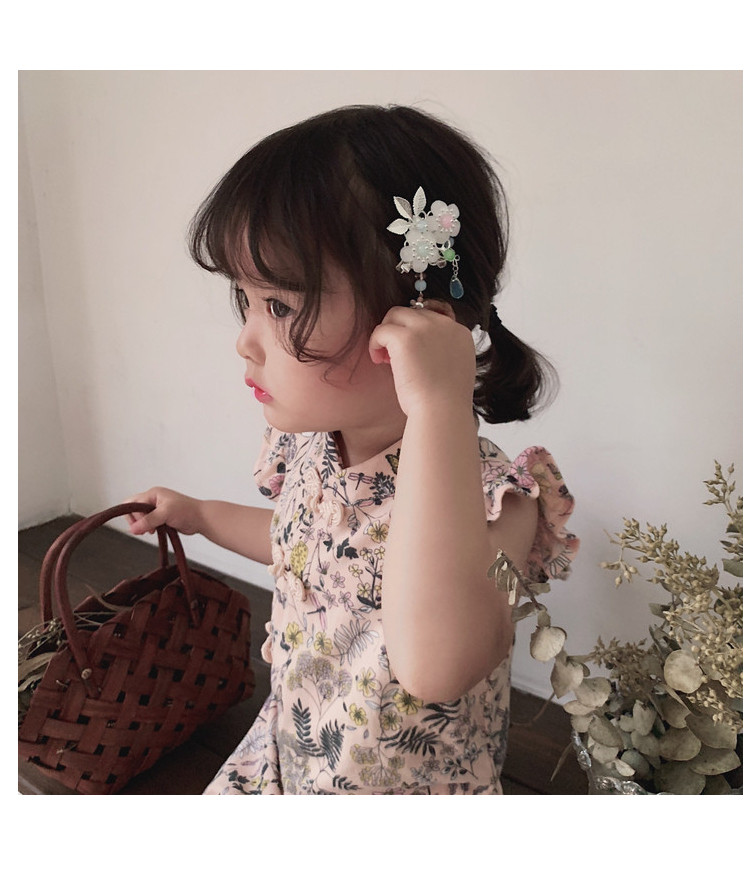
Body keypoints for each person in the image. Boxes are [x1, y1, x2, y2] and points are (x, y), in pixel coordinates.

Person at [125, 105, 579, 794]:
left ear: (418, 319)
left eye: (280, 306)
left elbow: (436, 664)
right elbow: (312, 551)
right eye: (244, 300)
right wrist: (202, 516)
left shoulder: (495, 500)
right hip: (297, 753)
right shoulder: (311, 448)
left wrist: (438, 407)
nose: (245, 341)